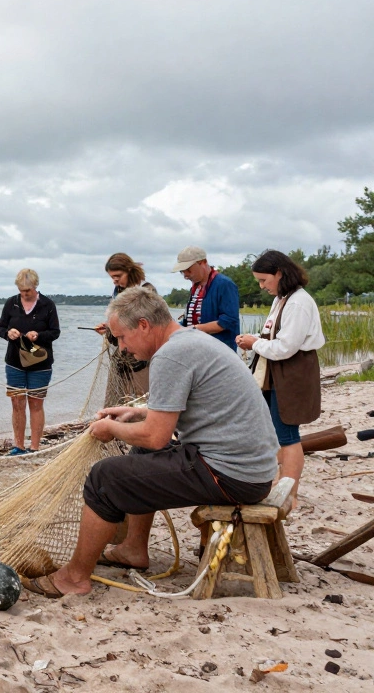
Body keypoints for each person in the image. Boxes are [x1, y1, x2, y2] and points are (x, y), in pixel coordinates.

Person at [22, 286, 278, 599]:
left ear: (144, 325)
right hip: (250, 468)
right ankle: (132, 549)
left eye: (122, 337)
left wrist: (111, 429)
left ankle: (74, 578)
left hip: (232, 474)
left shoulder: (171, 355)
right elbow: (170, 417)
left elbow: (156, 436)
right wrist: (133, 411)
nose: (122, 348)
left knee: (105, 477)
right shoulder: (188, 341)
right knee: (140, 453)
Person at [236, 250, 324, 516]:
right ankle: (278, 486)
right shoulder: (283, 298)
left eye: (264, 280)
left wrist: (254, 343)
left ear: (280, 274)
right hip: (277, 371)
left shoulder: (297, 302)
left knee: (287, 436)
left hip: (292, 371)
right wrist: (252, 338)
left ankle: (291, 494)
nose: (262, 286)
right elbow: (277, 337)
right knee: (274, 433)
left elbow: (286, 347)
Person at [0, 269, 60, 455]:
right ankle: (19, 446)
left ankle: (34, 446)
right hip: (14, 362)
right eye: (22, 290)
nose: (25, 294)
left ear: (35, 286)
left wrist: (38, 335)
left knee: (36, 403)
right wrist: (8, 333)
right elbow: (0, 328)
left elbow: (55, 332)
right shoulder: (11, 303)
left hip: (40, 363)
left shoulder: (48, 305)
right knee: (17, 403)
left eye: (28, 290)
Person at [94, 253, 156, 400]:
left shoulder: (146, 290)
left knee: (142, 400)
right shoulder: (118, 293)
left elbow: (148, 324)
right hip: (121, 356)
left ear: (130, 270)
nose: (115, 280)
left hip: (143, 358)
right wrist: (108, 329)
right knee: (116, 400)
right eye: (112, 277)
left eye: (118, 276)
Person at [172, 245, 239, 350]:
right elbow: (190, 320)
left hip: (219, 352)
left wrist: (195, 329)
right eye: (182, 272)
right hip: (196, 349)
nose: (185, 276)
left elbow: (228, 321)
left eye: (188, 270)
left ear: (203, 262)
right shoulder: (196, 287)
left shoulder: (224, 284)